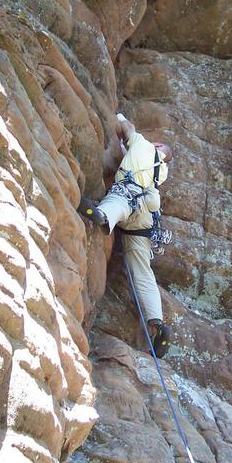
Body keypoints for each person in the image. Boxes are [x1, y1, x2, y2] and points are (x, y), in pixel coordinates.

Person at [78, 113, 173, 358]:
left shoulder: (141, 144)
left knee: (118, 202)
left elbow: (127, 128)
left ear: (158, 147)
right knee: (142, 271)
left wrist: (117, 117)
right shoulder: (161, 171)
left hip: (129, 197)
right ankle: (156, 323)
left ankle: (103, 215)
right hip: (146, 219)